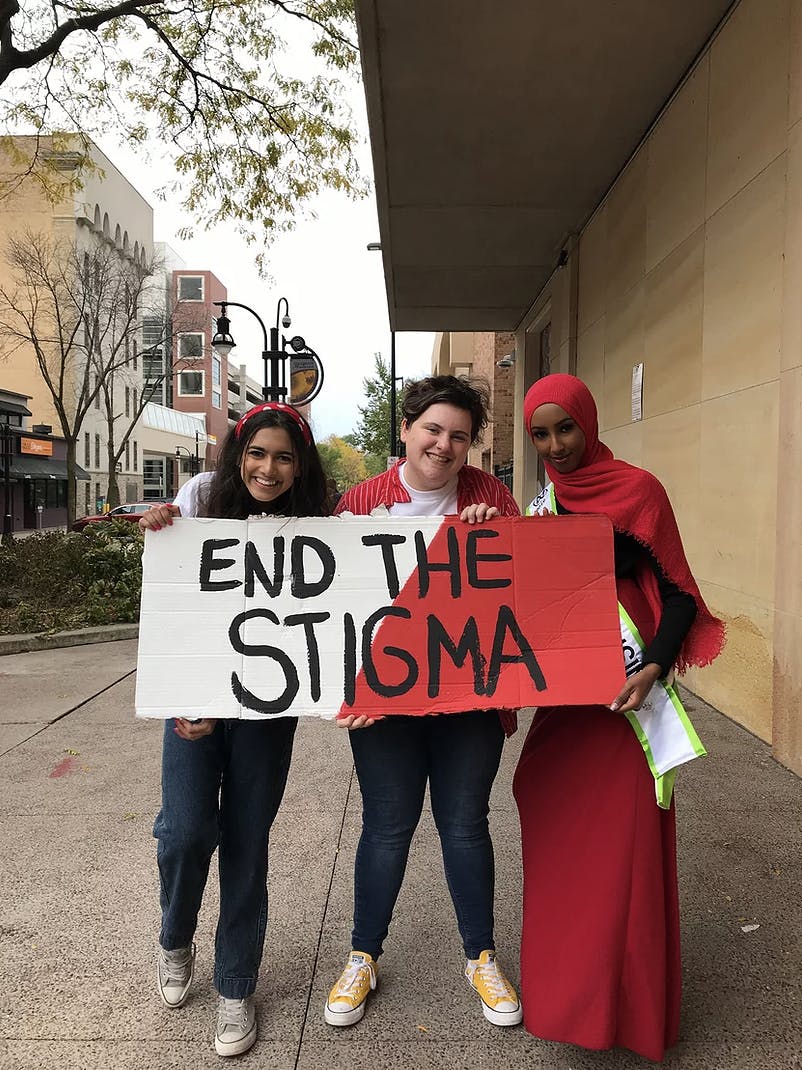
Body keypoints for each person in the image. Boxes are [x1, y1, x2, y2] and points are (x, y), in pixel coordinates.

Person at [514, 374, 725, 1061]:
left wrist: (653, 666)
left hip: (626, 705)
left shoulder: (639, 491)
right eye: (540, 434)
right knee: (555, 834)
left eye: (564, 428)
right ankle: (567, 1001)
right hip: (568, 709)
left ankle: (628, 1013)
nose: (555, 445)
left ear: (589, 421)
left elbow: (681, 595)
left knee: (623, 860)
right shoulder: (540, 506)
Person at [324, 374, 524, 1030]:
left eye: (459, 436)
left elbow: (529, 591)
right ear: (407, 430)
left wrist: (502, 539)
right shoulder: (359, 503)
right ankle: (362, 957)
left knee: (465, 825)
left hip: (469, 703)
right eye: (433, 429)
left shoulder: (492, 496)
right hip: (385, 707)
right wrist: (340, 690)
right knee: (386, 827)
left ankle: (480, 957)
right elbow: (327, 608)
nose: (444, 444)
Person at [139, 402, 328, 1058]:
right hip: (195, 697)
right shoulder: (201, 496)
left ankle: (235, 986)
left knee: (247, 840)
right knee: (185, 832)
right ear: (236, 454)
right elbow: (172, 592)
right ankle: (174, 938)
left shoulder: (317, 524)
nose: (266, 468)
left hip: (267, 709)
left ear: (299, 465)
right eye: (256, 453)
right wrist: (161, 527)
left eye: (282, 456)